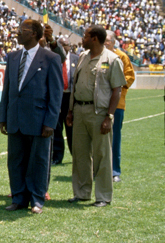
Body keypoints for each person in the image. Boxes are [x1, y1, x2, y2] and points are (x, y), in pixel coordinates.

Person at [0, 19, 62, 214]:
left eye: (22, 30)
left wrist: (50, 122)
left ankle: (37, 199)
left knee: (38, 161)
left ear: (34, 33)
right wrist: (3, 116)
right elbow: (7, 89)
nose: (17, 33)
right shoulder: (13, 56)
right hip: (16, 118)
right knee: (15, 160)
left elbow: (56, 93)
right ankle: (18, 198)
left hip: (39, 119)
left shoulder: (50, 58)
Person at [67, 25, 126, 207]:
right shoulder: (83, 56)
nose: (82, 39)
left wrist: (109, 116)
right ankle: (82, 193)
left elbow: (117, 90)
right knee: (80, 154)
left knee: (102, 155)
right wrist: (70, 110)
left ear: (94, 38)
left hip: (99, 113)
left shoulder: (112, 59)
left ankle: (103, 196)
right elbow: (75, 84)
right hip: (80, 110)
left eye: (85, 36)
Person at [105, 31, 135, 183]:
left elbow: (130, 76)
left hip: (117, 104)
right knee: (98, 139)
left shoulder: (122, 56)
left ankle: (115, 171)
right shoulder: (98, 56)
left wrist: (117, 86)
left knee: (115, 138)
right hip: (100, 104)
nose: (105, 43)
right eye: (103, 40)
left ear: (114, 42)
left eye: (108, 40)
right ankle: (98, 170)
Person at [52, 36, 79, 165]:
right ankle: (57, 157)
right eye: (60, 45)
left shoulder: (77, 59)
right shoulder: (53, 58)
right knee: (56, 128)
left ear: (70, 46)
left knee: (72, 128)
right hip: (57, 97)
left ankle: (77, 156)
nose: (63, 47)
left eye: (65, 45)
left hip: (70, 97)